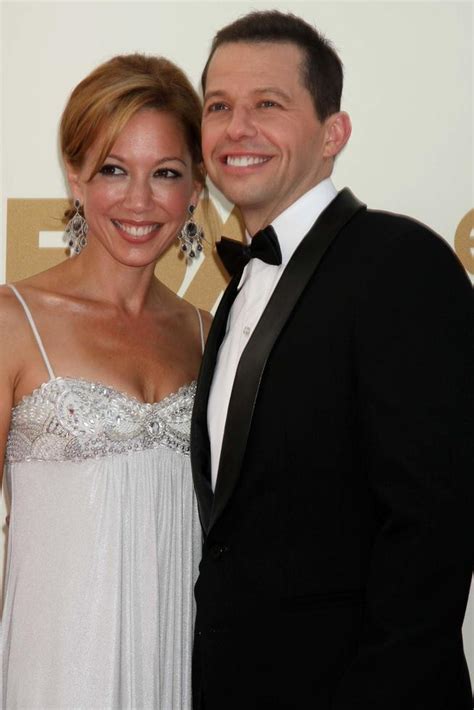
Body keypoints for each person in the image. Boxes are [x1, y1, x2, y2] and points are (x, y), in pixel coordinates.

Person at [191, 11, 474, 709]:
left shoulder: (399, 263)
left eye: (268, 105)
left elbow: (435, 522)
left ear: (332, 133)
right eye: (220, 106)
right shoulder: (239, 292)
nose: (237, 128)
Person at [0, 53, 210, 708]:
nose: (140, 200)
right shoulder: (14, 320)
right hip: (56, 669)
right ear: (75, 176)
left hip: (181, 661)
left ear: (197, 189)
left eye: (166, 173)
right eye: (115, 169)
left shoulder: (212, 334)